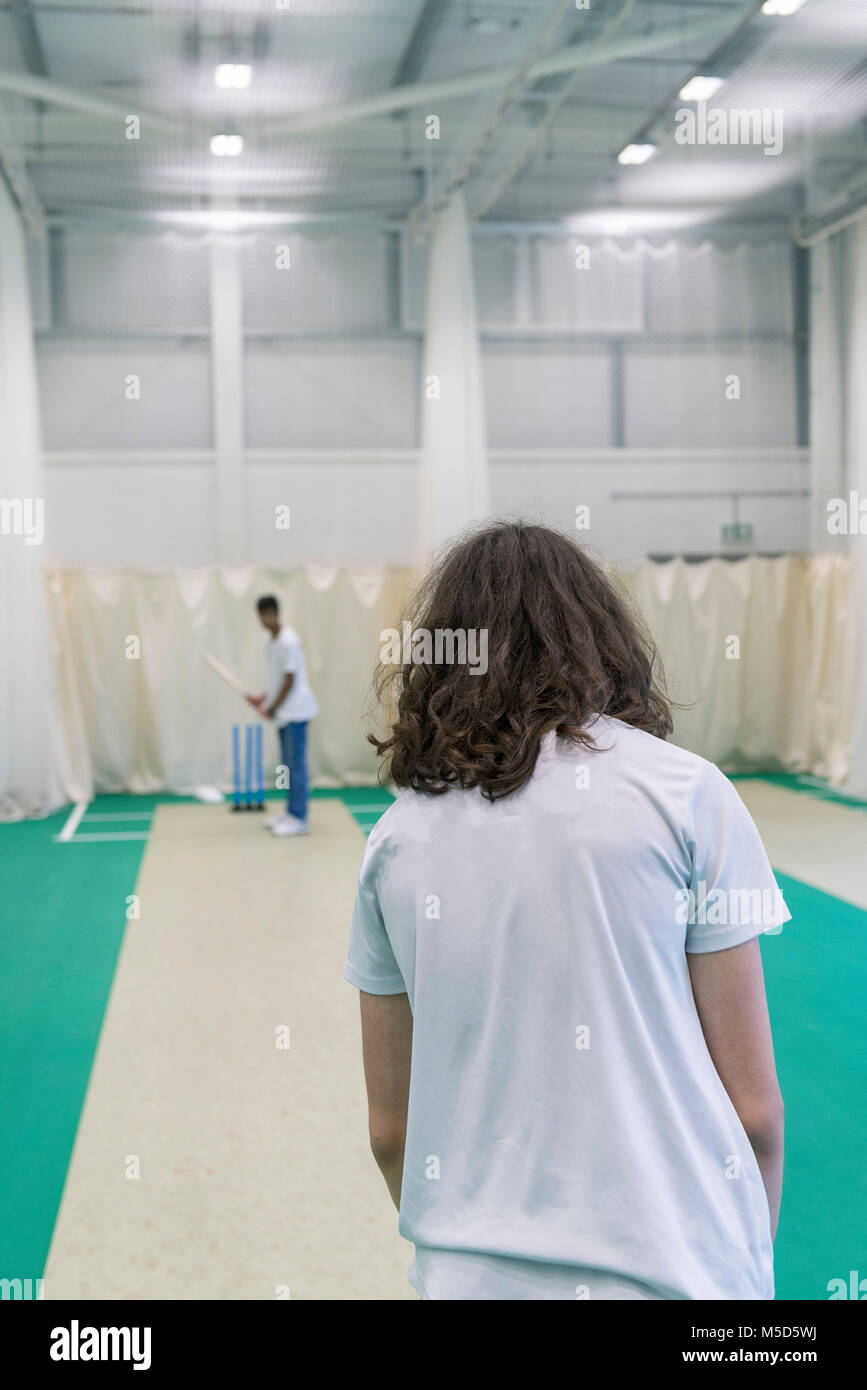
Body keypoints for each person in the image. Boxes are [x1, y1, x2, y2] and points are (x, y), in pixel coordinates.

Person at [344, 521, 787, 1301]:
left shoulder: (395, 840)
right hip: (679, 1271)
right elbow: (752, 1113)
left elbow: (390, 1134)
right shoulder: (686, 795)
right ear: (598, 637)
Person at [248, 595, 319, 837]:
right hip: (283, 712)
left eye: (268, 614)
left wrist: (271, 707)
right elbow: (277, 680)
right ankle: (290, 812)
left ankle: (300, 819)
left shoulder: (289, 640)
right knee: (287, 767)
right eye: (261, 615)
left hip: (296, 712)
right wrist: (264, 698)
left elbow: (290, 680)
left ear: (276, 613)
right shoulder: (269, 641)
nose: (265, 619)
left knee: (296, 766)